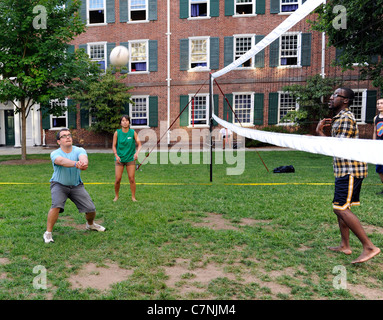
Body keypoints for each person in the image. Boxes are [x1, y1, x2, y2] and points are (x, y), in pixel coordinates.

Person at [316, 87, 380, 264]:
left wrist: (319, 133)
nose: (331, 97)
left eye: (335, 95)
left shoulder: (345, 118)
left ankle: (369, 247)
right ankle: (345, 245)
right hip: (344, 169)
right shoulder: (339, 118)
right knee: (342, 208)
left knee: (340, 208)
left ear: (345, 100)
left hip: (350, 170)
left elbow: (336, 147)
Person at [43, 128, 105, 243]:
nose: (68, 137)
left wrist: (83, 163)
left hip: (76, 185)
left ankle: (90, 225)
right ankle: (48, 233)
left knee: (91, 209)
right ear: (58, 141)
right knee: (56, 205)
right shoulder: (55, 153)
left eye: (69, 135)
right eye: (64, 136)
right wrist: (76, 164)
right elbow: (61, 161)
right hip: (59, 185)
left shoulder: (79, 150)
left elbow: (83, 158)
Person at [112, 115, 142, 202]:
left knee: (131, 179)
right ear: (120, 123)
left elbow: (139, 144)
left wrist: (137, 153)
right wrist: (116, 155)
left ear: (129, 122)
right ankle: (116, 196)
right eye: (123, 120)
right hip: (119, 159)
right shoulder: (117, 133)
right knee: (118, 179)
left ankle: (133, 197)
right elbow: (113, 146)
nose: (125, 122)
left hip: (130, 159)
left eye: (126, 120)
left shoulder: (133, 132)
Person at [372, 98, 383, 194]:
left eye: (381, 103)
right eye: (378, 103)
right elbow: (375, 132)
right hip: (379, 145)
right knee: (379, 168)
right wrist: (373, 144)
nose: (379, 105)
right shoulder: (376, 118)